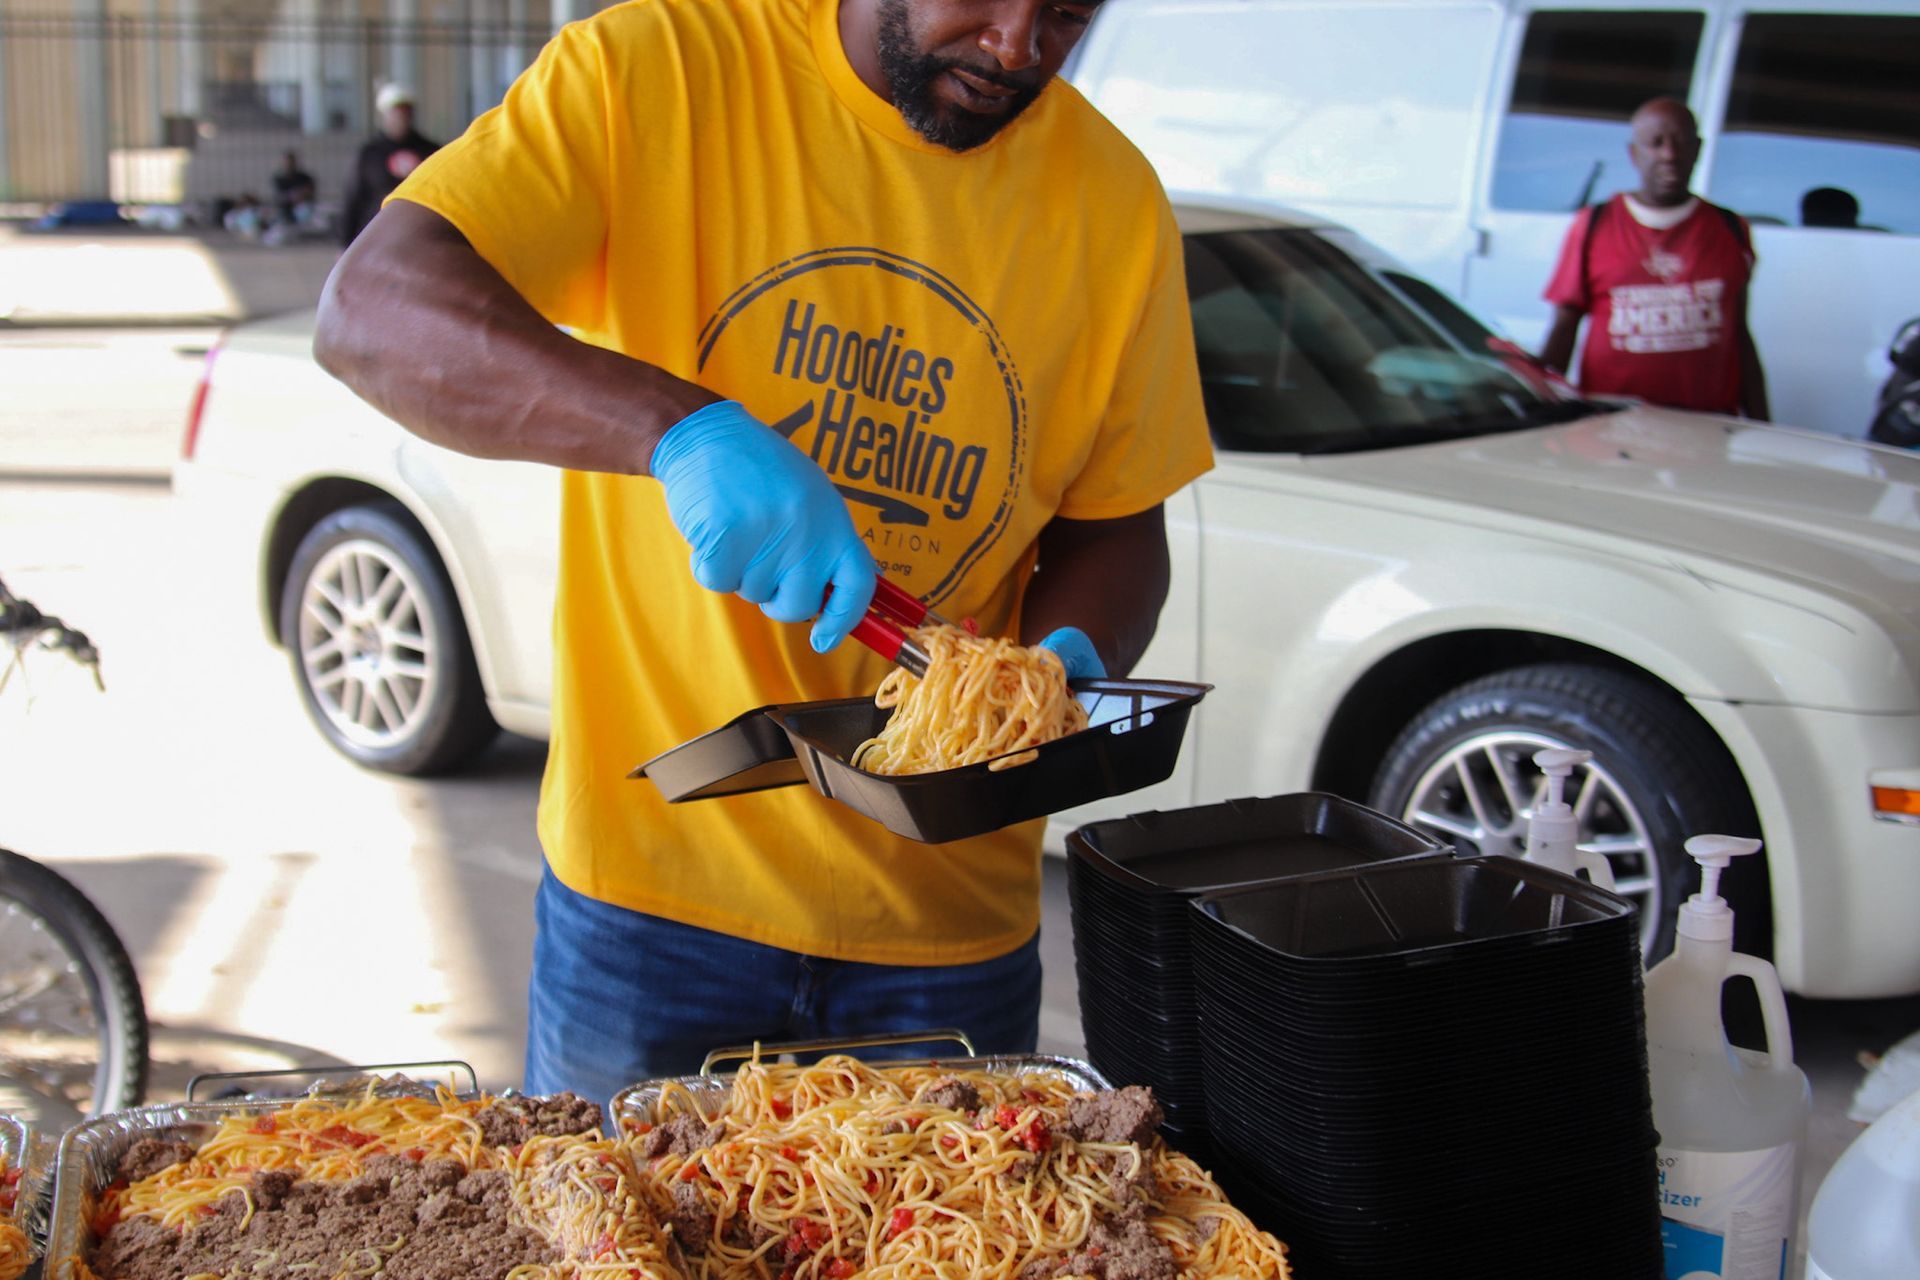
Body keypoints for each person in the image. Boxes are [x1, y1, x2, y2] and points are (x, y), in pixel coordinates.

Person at [314, 0, 1210, 1102]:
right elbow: (373, 309)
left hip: (945, 939)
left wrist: (1065, 656)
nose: (1019, 45)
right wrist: (673, 429)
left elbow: (1119, 525)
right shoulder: (656, 73)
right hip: (652, 907)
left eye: (1068, 11)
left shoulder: (1114, 204)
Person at [1539, 97, 1768, 420]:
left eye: (1681, 142)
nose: (1669, 155)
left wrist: (1761, 423)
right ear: (1634, 153)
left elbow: (1738, 333)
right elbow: (1564, 327)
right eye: (1655, 143)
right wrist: (1543, 414)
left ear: (1698, 149)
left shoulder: (1730, 229)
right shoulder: (1593, 225)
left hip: (1707, 427)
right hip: (1612, 425)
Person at [340, 83, 438, 246]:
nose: (401, 116)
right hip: (377, 237)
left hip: (419, 237)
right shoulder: (370, 154)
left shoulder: (430, 151)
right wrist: (346, 243)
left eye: (406, 111)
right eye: (396, 111)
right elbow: (354, 197)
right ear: (385, 114)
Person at [272, 151, 317, 228]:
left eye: (291, 162)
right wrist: (292, 196)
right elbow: (279, 196)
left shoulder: (304, 177)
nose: (289, 165)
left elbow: (310, 192)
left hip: (302, 207)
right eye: (287, 162)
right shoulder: (279, 179)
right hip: (286, 208)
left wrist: (302, 195)